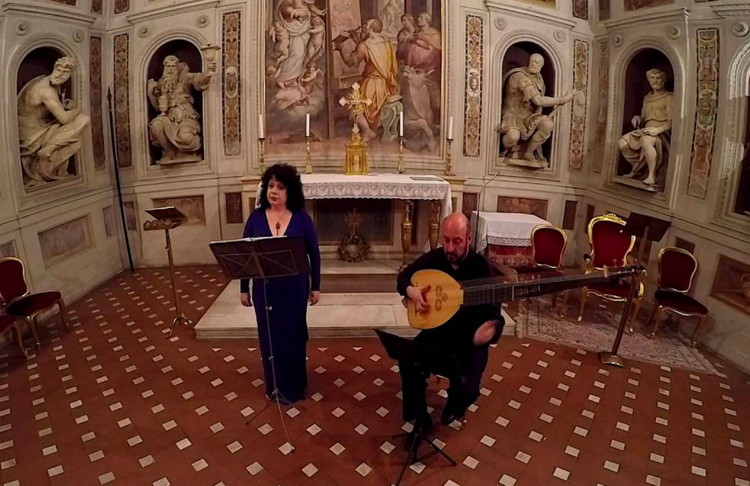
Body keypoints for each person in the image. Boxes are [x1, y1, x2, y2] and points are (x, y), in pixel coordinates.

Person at [396, 213, 504, 437]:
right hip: (438, 334)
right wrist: (411, 291)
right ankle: (420, 417)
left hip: (468, 340)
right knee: (408, 359)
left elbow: (495, 314)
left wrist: (491, 330)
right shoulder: (436, 259)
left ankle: (455, 405)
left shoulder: (482, 269)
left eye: (456, 241)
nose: (450, 247)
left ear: (469, 239)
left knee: (467, 390)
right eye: (446, 240)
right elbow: (404, 277)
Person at [240, 163, 321, 404]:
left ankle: (295, 387)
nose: (274, 191)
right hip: (265, 289)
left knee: (292, 335)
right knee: (269, 336)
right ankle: (274, 386)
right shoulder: (255, 218)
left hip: (294, 289)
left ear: (290, 192)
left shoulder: (302, 218)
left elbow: (314, 254)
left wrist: (315, 286)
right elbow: (245, 255)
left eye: (280, 187)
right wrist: (244, 288)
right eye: (270, 186)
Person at [17, 56, 91, 188]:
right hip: (32, 135)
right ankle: (39, 172)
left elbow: (48, 109)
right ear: (54, 68)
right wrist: (77, 109)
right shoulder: (46, 90)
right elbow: (64, 119)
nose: (60, 75)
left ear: (70, 75)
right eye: (58, 70)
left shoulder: (45, 81)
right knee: (84, 119)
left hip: (39, 127)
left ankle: (48, 153)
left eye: (65, 73)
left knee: (76, 143)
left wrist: (64, 106)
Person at [499, 53, 575, 162]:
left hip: (529, 117)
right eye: (532, 61)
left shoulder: (539, 79)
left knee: (547, 124)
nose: (533, 64)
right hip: (513, 114)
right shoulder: (519, 76)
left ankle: (528, 152)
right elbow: (538, 100)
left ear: (541, 66)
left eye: (537, 62)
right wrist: (563, 99)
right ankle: (504, 149)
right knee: (513, 137)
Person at [334, 18, 399, 142]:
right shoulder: (386, 42)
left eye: (366, 27)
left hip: (373, 86)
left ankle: (367, 131)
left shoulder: (364, 45)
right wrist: (358, 41)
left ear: (371, 29)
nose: (363, 28)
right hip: (386, 84)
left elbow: (350, 62)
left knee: (351, 102)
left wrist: (341, 48)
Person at [147, 55, 215, 164]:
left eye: (173, 67)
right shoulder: (161, 84)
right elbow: (157, 108)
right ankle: (170, 152)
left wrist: (208, 72)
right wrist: (151, 94)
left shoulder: (185, 78)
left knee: (186, 138)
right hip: (168, 118)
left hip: (185, 116)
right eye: (167, 67)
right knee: (156, 125)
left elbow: (198, 79)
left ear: (177, 67)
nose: (170, 70)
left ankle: (187, 152)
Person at [618, 68, 673, 186]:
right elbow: (644, 117)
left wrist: (657, 130)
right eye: (652, 78)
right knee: (622, 143)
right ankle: (637, 169)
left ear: (663, 80)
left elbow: (672, 121)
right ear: (649, 80)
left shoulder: (669, 97)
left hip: (661, 132)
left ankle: (651, 175)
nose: (655, 81)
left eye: (658, 78)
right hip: (646, 129)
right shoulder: (648, 98)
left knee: (645, 140)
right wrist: (638, 118)